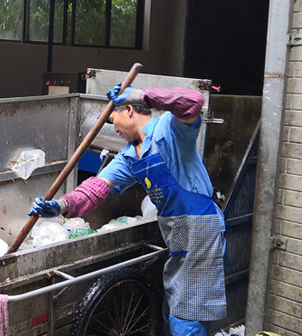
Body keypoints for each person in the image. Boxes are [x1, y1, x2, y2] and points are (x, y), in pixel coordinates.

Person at [29, 84, 226, 336]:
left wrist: (141, 95)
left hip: (200, 229)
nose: (115, 129)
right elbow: (96, 187)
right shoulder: (129, 156)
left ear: (129, 110)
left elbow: (193, 101)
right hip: (175, 231)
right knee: (173, 308)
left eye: (114, 120)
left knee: (188, 314)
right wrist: (60, 206)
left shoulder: (170, 128)